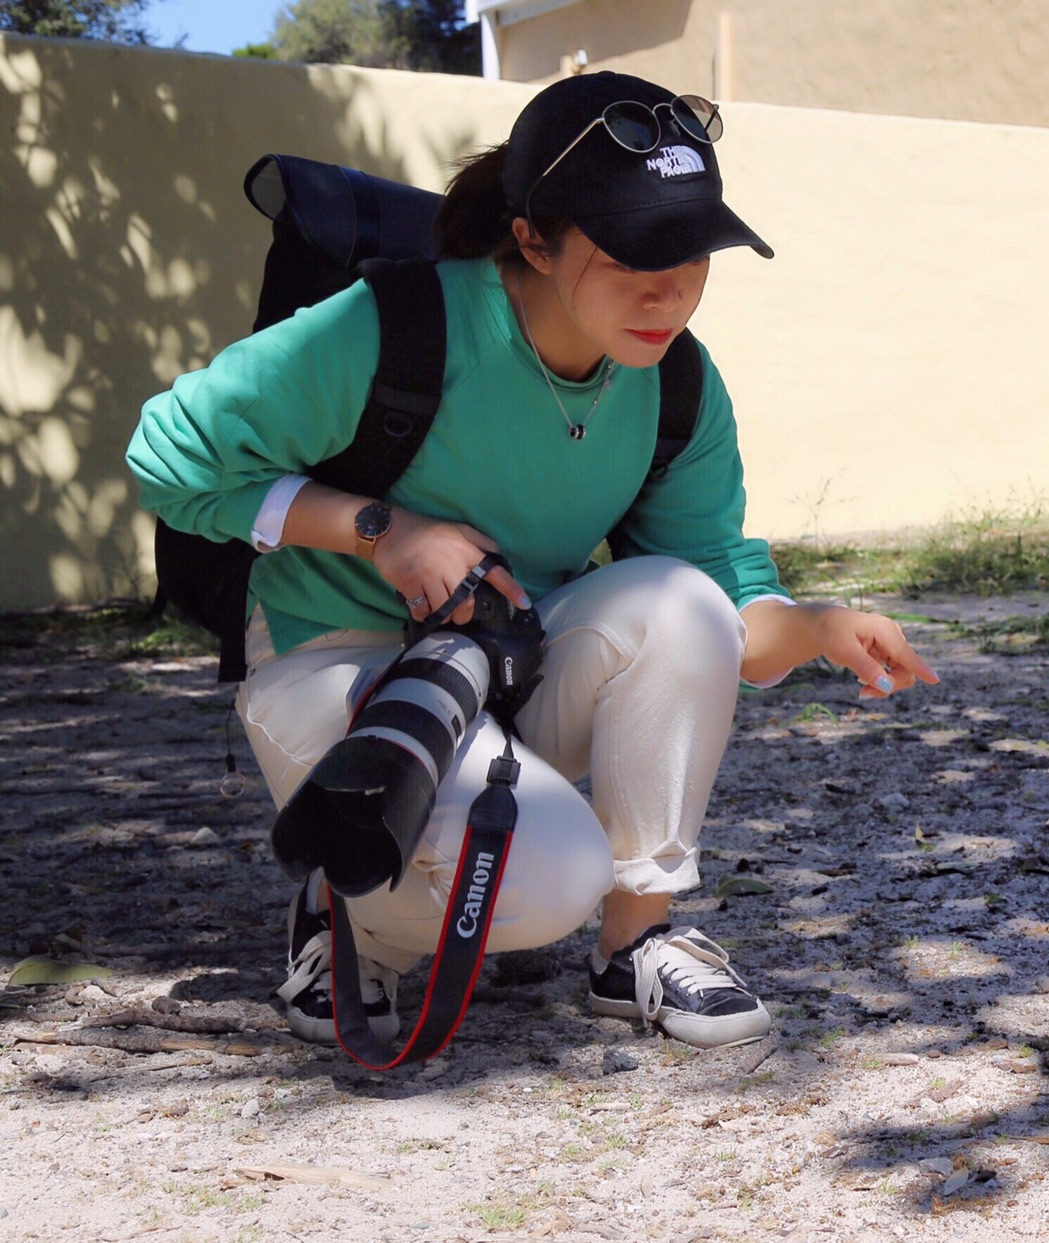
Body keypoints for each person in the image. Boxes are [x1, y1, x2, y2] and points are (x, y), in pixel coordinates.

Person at [126, 72, 936, 1051]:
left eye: (692, 248)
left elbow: (725, 621)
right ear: (533, 240)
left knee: (680, 601)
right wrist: (383, 529)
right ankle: (346, 920)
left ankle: (639, 944)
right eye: (633, 247)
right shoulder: (395, 324)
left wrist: (813, 627)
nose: (667, 285)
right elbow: (167, 456)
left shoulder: (675, 382)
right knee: (549, 876)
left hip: (502, 669)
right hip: (334, 662)